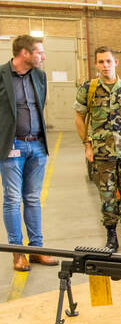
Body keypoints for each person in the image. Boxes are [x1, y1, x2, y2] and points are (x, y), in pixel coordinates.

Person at [74, 47, 121, 251]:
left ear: (116, 62)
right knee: (107, 196)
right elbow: (79, 118)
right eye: (101, 62)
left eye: (108, 61)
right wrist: (87, 145)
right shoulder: (88, 90)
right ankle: (111, 236)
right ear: (96, 64)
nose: (105, 65)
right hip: (102, 154)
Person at [0, 35, 58, 271]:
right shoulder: (2, 75)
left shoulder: (39, 76)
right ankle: (18, 252)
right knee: (12, 199)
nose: (43, 57)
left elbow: (39, 105)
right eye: (39, 52)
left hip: (36, 146)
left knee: (33, 199)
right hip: (11, 146)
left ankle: (37, 249)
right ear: (24, 53)